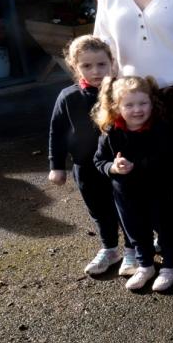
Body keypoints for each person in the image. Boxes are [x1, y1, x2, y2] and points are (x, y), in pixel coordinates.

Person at [47, 35, 135, 277]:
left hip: (119, 166)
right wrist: (56, 166)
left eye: (101, 64)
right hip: (85, 167)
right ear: (75, 67)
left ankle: (132, 248)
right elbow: (57, 132)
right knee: (99, 210)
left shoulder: (123, 93)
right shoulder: (68, 97)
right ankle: (110, 248)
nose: (95, 71)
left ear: (112, 63)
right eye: (87, 66)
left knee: (126, 208)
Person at [92, 76, 173, 292]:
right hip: (127, 196)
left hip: (159, 192)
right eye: (129, 105)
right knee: (137, 232)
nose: (137, 110)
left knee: (166, 229)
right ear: (117, 106)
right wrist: (113, 167)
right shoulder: (111, 131)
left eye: (143, 103)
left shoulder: (161, 128)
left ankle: (170, 267)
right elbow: (99, 161)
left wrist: (136, 165)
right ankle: (145, 266)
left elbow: (169, 158)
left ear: (152, 103)